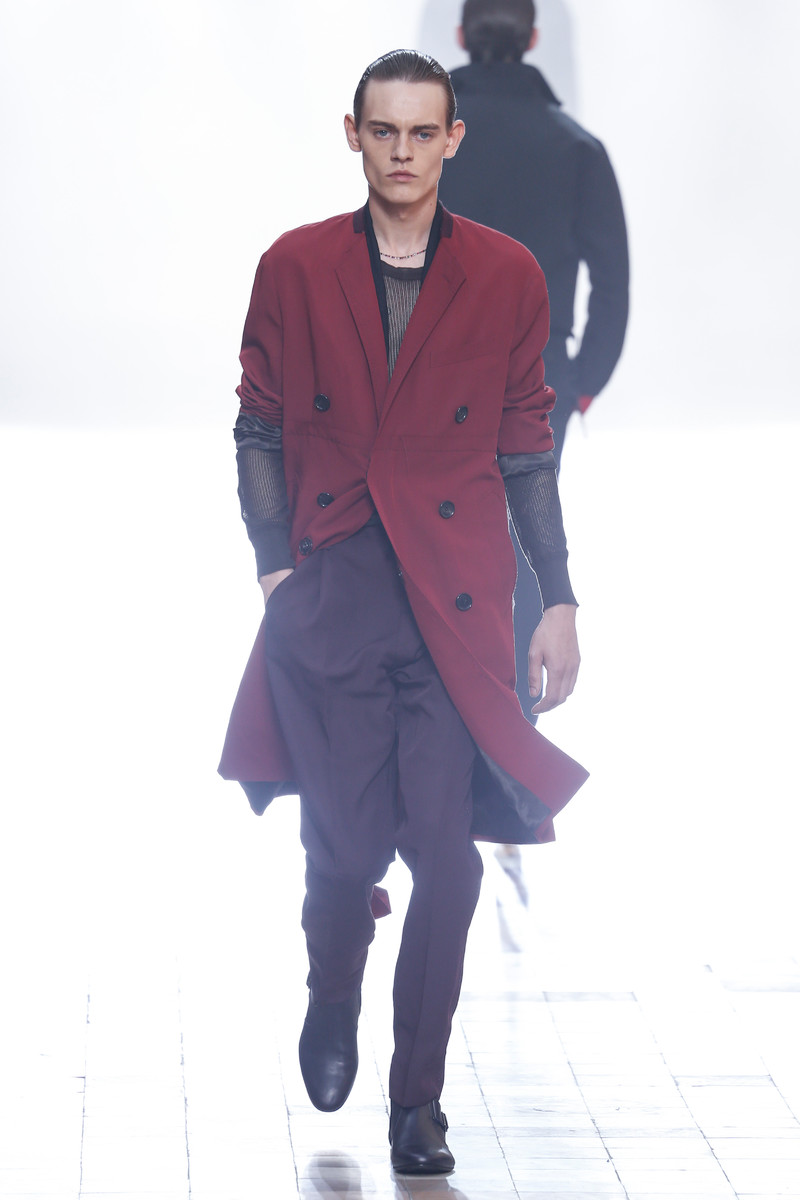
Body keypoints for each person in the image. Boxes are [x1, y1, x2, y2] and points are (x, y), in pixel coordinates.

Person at [218, 49, 587, 1176]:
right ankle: (333, 987)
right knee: (342, 851)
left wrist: (558, 594)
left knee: (449, 861)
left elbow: (525, 447)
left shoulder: (506, 275)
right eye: (384, 131)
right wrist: (277, 573)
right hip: (336, 594)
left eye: (423, 133)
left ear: (452, 141)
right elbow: (260, 426)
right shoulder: (293, 266)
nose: (403, 153)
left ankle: (416, 1101)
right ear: (354, 135)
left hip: (454, 603)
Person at [437, 0, 629, 724]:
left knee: (428, 544)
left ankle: (434, 736)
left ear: (461, 37)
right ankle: (507, 741)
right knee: (520, 550)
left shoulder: (424, 150)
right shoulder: (576, 148)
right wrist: (581, 383)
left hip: (428, 379)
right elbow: (612, 282)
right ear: (534, 38)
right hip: (537, 384)